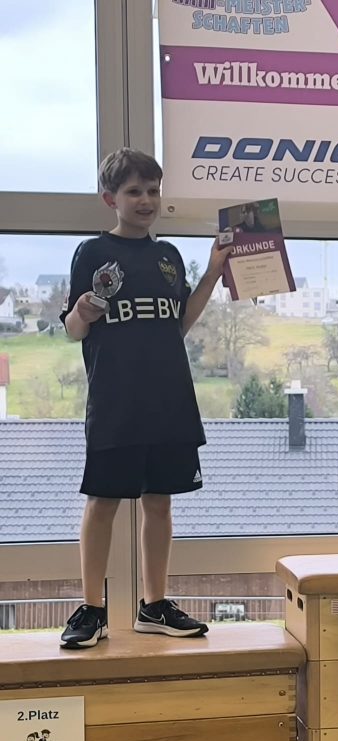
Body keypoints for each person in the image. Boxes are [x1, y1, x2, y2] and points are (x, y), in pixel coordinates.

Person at [58, 148, 231, 649]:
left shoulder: (168, 255)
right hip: (116, 403)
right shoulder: (92, 252)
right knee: (102, 502)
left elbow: (179, 324)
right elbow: (72, 329)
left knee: (160, 503)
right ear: (110, 198)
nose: (146, 200)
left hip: (170, 401)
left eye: (153, 190)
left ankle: (153, 605)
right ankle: (92, 609)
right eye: (134, 191)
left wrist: (212, 273)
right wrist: (83, 311)